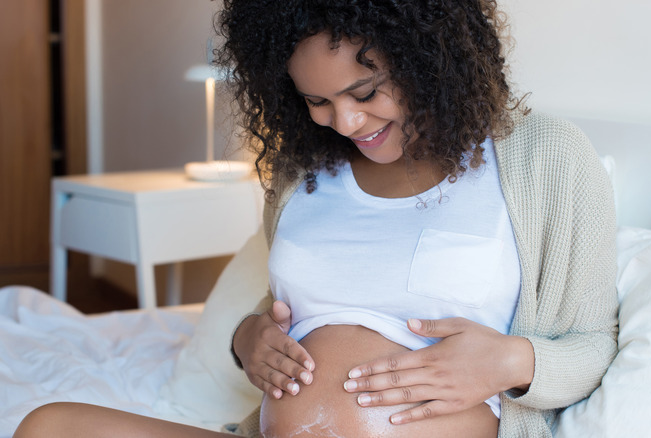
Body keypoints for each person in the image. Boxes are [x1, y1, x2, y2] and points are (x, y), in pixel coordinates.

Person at [14, 0, 618, 437]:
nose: (347, 123)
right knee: (49, 426)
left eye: (366, 92)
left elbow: (593, 344)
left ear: (430, 58)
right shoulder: (300, 171)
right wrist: (246, 338)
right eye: (317, 102)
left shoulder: (545, 157)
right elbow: (298, 310)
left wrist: (510, 361)